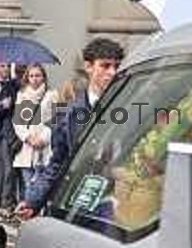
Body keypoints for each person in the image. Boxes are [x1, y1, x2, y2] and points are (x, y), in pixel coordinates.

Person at [16, 38, 124, 219]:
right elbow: (58, 162)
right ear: (88, 66)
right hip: (80, 202)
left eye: (116, 66)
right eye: (105, 66)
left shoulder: (128, 104)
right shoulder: (71, 112)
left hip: (117, 205)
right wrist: (33, 200)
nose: (112, 72)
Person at [12, 64, 55, 204]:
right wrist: (28, 138)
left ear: (43, 77)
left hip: (44, 148)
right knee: (27, 187)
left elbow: (58, 119)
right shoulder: (23, 95)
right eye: (31, 76)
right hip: (26, 150)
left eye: (38, 75)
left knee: (40, 188)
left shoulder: (53, 94)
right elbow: (18, 123)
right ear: (27, 78)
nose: (35, 79)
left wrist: (43, 138)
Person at [0, 62, 21, 209]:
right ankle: (4, 201)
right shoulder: (8, 86)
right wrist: (3, 105)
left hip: (19, 133)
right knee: (6, 169)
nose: (6, 69)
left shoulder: (19, 86)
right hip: (7, 134)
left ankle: (6, 200)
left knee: (11, 170)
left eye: (8, 66)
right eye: (3, 66)